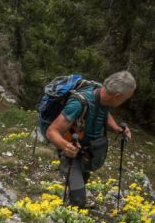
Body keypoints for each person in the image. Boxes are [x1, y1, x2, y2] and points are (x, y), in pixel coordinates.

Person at [46, 71, 135, 208]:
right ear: (117, 96)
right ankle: (70, 209)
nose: (125, 102)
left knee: (80, 185)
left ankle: (72, 201)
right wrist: (66, 146)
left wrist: (117, 128)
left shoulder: (104, 98)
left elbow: (105, 113)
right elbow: (52, 131)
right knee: (79, 201)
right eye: (125, 99)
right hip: (72, 154)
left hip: (88, 152)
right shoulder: (78, 104)